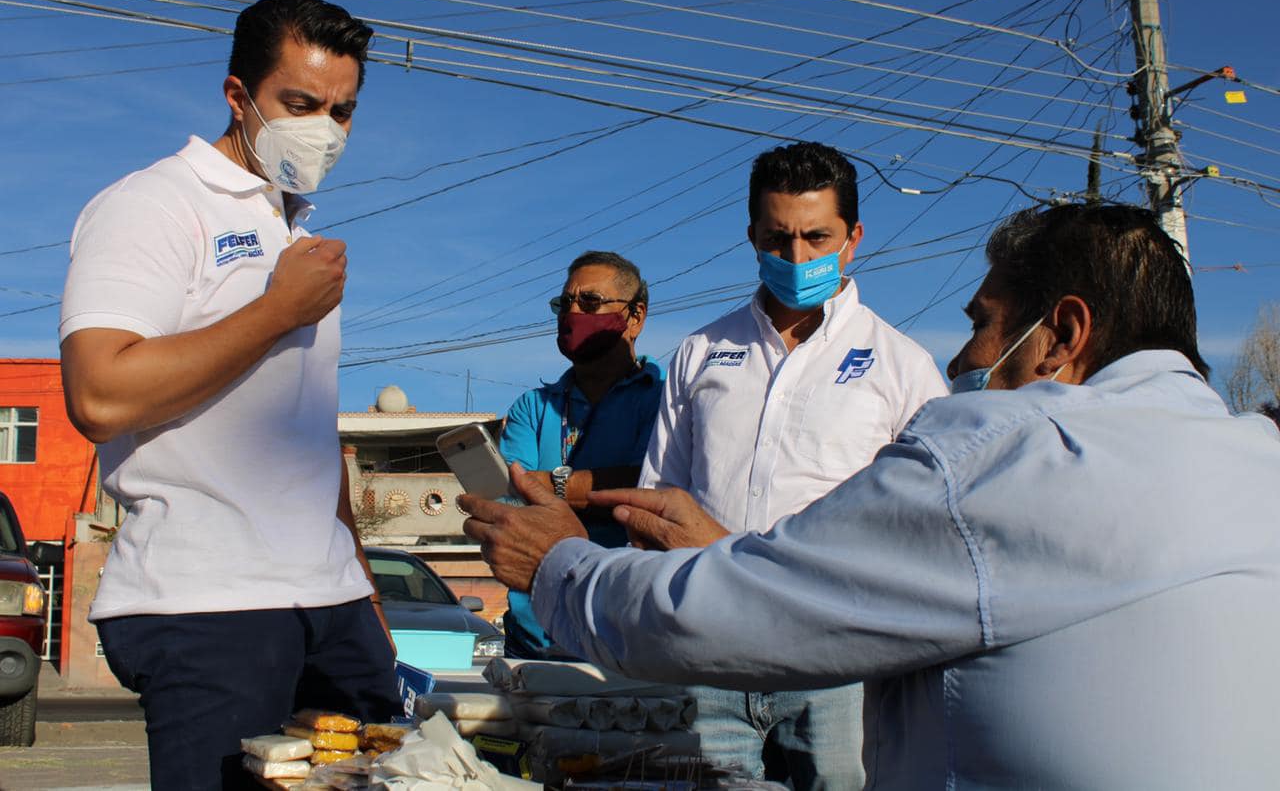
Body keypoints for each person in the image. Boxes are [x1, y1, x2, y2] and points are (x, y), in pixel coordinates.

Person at [462, 203, 1280, 789]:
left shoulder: (1010, 450)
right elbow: (919, 581)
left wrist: (563, 566)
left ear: (1062, 335)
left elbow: (744, 615)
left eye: (986, 320)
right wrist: (727, 554)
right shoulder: (1258, 461)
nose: (967, 350)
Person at [59, 0, 399, 790]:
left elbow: (306, 438)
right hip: (207, 604)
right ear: (238, 95)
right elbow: (100, 393)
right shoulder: (152, 204)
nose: (325, 130)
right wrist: (276, 310)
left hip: (334, 602)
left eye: (343, 111)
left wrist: (361, 582)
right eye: (301, 104)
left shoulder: (299, 237)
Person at [638, 141, 946, 788]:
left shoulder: (902, 366)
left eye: (816, 236)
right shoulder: (700, 353)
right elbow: (656, 505)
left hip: (837, 672)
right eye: (778, 239)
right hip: (709, 659)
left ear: (853, 238)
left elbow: (932, 529)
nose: (798, 257)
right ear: (751, 235)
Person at [497, 251, 663, 660]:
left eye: (589, 303)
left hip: (625, 638)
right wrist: (600, 492)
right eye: (564, 303)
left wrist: (551, 486)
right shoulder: (531, 407)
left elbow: (650, 491)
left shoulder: (665, 400)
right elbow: (510, 501)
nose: (572, 312)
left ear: (635, 317)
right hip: (531, 639)